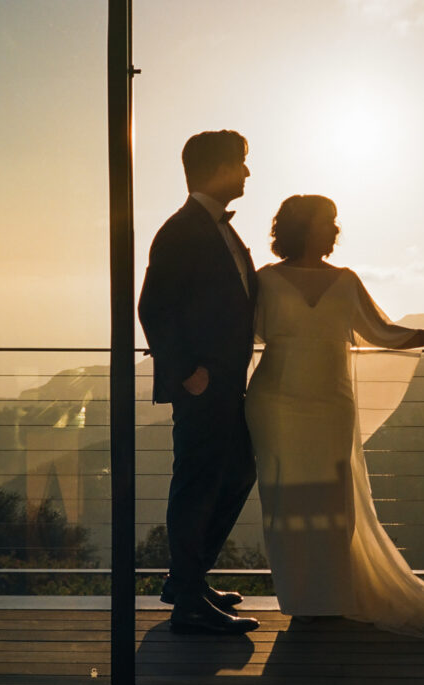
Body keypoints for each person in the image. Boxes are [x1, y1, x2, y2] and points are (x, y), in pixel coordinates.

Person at [245, 194, 424, 643]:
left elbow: (383, 332)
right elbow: (239, 332)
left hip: (330, 403)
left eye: (335, 222)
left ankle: (329, 597)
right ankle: (301, 600)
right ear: (302, 226)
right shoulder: (264, 280)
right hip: (276, 403)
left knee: (333, 498)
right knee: (284, 500)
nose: (334, 230)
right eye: (328, 221)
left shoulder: (346, 281)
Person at [137, 130, 260, 634]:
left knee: (235, 475)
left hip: (227, 383)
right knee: (197, 485)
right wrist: (188, 373)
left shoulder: (215, 229)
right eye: (241, 163)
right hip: (205, 386)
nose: (248, 173)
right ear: (217, 168)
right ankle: (187, 600)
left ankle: (185, 580)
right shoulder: (183, 230)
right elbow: (153, 306)